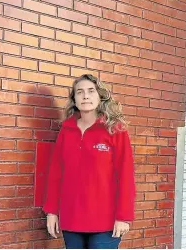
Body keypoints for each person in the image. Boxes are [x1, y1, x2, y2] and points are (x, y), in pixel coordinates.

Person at [43, 74, 136, 249]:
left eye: (91, 91)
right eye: (80, 92)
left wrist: (123, 216)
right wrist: (52, 212)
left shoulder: (115, 129)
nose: (85, 96)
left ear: (100, 96)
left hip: (106, 222)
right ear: (74, 99)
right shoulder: (66, 130)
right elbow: (56, 174)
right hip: (72, 218)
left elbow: (125, 176)